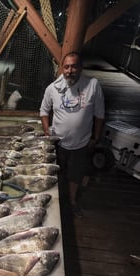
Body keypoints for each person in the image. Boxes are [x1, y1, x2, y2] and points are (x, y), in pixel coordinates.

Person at [40, 51, 105, 217]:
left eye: (74, 66)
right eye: (66, 67)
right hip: (58, 142)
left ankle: (72, 202)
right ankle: (56, 204)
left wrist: (96, 137)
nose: (70, 70)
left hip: (81, 143)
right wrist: (47, 129)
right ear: (62, 68)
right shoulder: (53, 88)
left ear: (81, 67)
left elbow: (99, 113)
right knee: (57, 173)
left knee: (75, 175)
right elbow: (44, 110)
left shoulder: (92, 85)